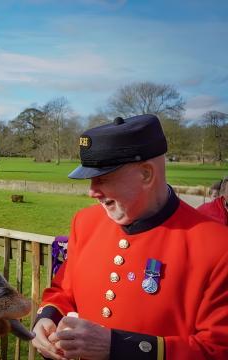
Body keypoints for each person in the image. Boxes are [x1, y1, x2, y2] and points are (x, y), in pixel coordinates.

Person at [31, 114, 228, 360]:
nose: (91, 191)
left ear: (146, 174)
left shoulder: (218, 246)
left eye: (102, 178)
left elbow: (217, 350)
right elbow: (64, 290)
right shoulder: (85, 223)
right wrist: (47, 318)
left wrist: (117, 346)